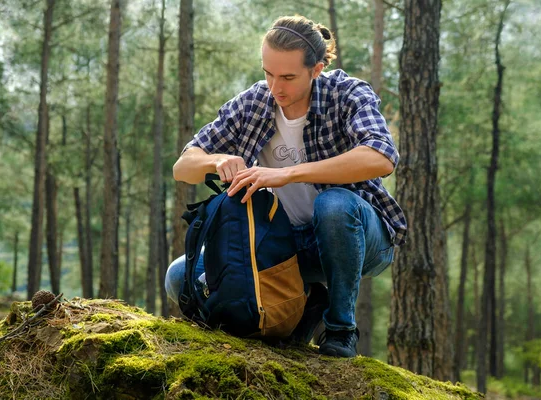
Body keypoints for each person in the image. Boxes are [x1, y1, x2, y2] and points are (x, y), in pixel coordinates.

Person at [166, 15, 407, 358]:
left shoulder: (347, 93)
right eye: (268, 73)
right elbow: (183, 167)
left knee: (334, 205)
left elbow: (381, 156)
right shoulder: (253, 102)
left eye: (288, 77)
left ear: (317, 70)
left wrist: (289, 173)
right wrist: (217, 161)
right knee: (179, 277)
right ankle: (304, 304)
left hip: (357, 238)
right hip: (284, 247)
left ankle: (340, 330)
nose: (276, 87)